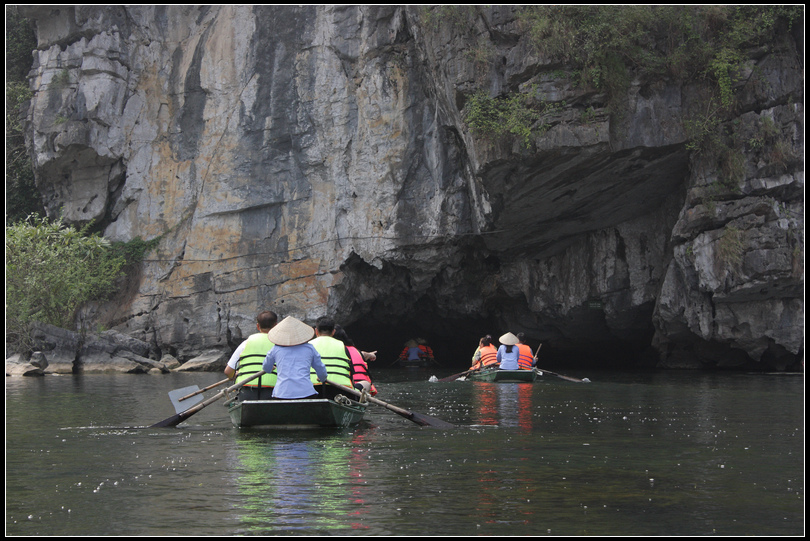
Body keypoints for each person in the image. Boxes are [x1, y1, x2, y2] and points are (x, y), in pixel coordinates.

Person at [262, 316, 328, 399]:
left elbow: (266, 368)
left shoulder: (275, 349)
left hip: (281, 393)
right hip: (306, 392)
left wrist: (271, 367)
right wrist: (322, 378)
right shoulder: (309, 348)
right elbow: (321, 369)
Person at [224, 310, 278, 400]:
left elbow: (228, 371)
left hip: (247, 391)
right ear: (276, 326)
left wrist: (233, 376)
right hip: (273, 392)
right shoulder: (280, 344)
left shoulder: (246, 343)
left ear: (257, 326)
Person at [309, 316, 355, 400]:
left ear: (316, 331)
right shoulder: (343, 346)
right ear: (333, 332)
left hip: (312, 388)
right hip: (340, 390)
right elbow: (351, 372)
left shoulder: (308, 345)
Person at [334, 325, 378, 396]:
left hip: (330, 388)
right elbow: (364, 354)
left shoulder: (329, 351)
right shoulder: (355, 351)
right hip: (352, 390)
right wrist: (371, 355)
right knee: (366, 384)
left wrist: (370, 354)